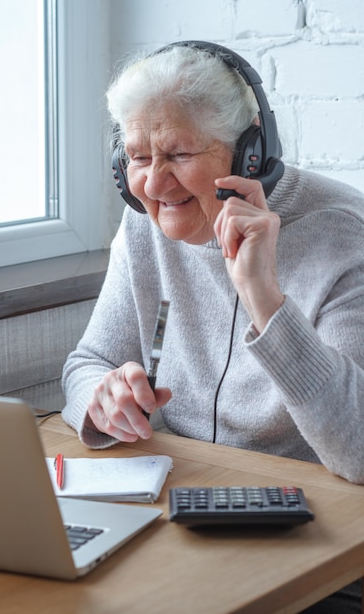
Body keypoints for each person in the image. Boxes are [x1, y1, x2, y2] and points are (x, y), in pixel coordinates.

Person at [62, 41, 364, 612]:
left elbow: (361, 449)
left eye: (176, 153)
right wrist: (101, 401)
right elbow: (87, 364)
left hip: (311, 546)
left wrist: (263, 296)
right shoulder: (144, 231)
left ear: (249, 153)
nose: (153, 184)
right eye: (138, 158)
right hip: (176, 525)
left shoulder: (341, 234)